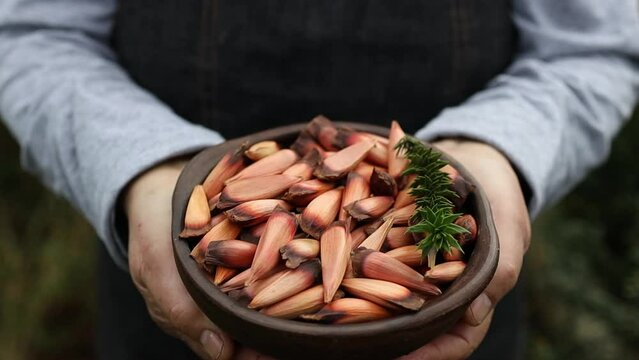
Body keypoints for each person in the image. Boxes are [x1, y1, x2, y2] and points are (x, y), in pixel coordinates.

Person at [1, 0, 638, 359]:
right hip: (171, 285)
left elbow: (589, 47)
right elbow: (32, 35)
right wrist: (142, 169)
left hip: (450, 321)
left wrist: (492, 154)